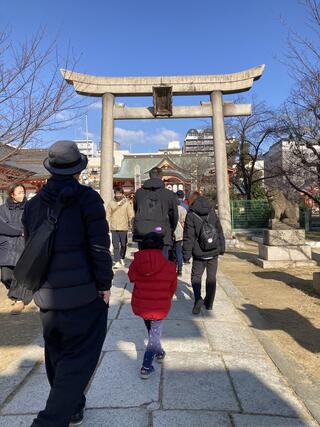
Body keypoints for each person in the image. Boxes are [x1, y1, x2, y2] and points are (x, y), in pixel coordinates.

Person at [23, 140, 113, 427]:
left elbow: (30, 248)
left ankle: (74, 406)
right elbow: (99, 247)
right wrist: (105, 284)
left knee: (56, 351)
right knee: (78, 358)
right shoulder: (88, 199)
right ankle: (50, 420)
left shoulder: (34, 205)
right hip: (83, 294)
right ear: (78, 169)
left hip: (47, 295)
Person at [129, 232, 177, 379]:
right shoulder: (169, 266)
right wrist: (166, 298)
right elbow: (172, 287)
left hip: (142, 304)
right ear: (161, 247)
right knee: (154, 333)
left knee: (152, 332)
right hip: (159, 306)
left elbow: (131, 278)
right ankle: (146, 366)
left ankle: (159, 351)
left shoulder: (136, 263)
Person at [183, 191, 225, 315]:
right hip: (214, 250)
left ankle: (198, 299)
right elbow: (219, 230)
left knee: (196, 276)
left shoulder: (191, 214)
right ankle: (209, 303)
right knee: (211, 277)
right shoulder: (211, 211)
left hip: (199, 252)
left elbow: (189, 237)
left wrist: (186, 255)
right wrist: (222, 247)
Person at [0, 183, 33, 315]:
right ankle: (17, 293)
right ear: (12, 194)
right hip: (6, 247)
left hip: (23, 246)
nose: (22, 195)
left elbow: (31, 225)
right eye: (19, 192)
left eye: (23, 192)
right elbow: (2, 227)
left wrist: (12, 227)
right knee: (5, 277)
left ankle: (19, 300)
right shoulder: (2, 209)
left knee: (21, 275)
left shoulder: (29, 208)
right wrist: (19, 231)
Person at [133, 167, 178, 258]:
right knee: (162, 262)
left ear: (149, 176)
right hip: (163, 233)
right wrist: (171, 228)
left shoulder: (139, 193)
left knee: (144, 261)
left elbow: (136, 209)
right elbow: (174, 215)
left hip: (143, 232)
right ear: (161, 177)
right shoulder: (168, 194)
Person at [107, 186, 134, 268]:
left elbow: (131, 214)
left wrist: (131, 223)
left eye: (119, 193)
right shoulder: (111, 203)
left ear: (122, 194)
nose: (118, 195)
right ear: (114, 194)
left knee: (123, 244)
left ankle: (122, 257)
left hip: (124, 227)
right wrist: (107, 223)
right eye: (116, 193)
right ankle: (116, 261)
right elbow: (107, 214)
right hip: (114, 227)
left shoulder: (126, 203)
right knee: (115, 245)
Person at [174, 191, 188, 276]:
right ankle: (180, 269)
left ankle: (173, 266)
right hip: (180, 232)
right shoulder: (184, 208)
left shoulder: (171, 209)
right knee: (179, 251)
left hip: (172, 232)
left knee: (173, 251)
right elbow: (185, 222)